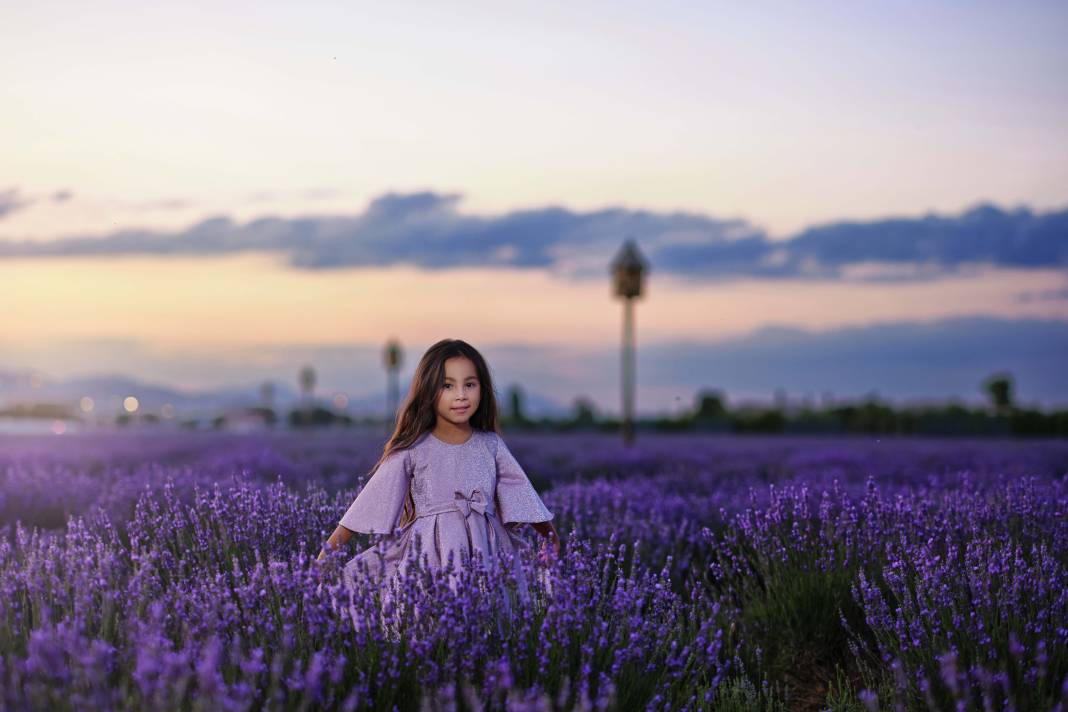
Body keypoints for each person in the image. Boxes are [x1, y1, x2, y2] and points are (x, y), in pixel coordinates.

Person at [316, 338, 560, 630]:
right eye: (448, 386)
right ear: (429, 391)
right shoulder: (413, 450)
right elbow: (369, 504)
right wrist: (327, 555)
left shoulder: (491, 446)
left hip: (488, 548)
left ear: (482, 388)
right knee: (429, 621)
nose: (461, 395)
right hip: (432, 551)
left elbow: (520, 493)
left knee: (493, 621)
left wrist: (549, 534)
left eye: (469, 384)